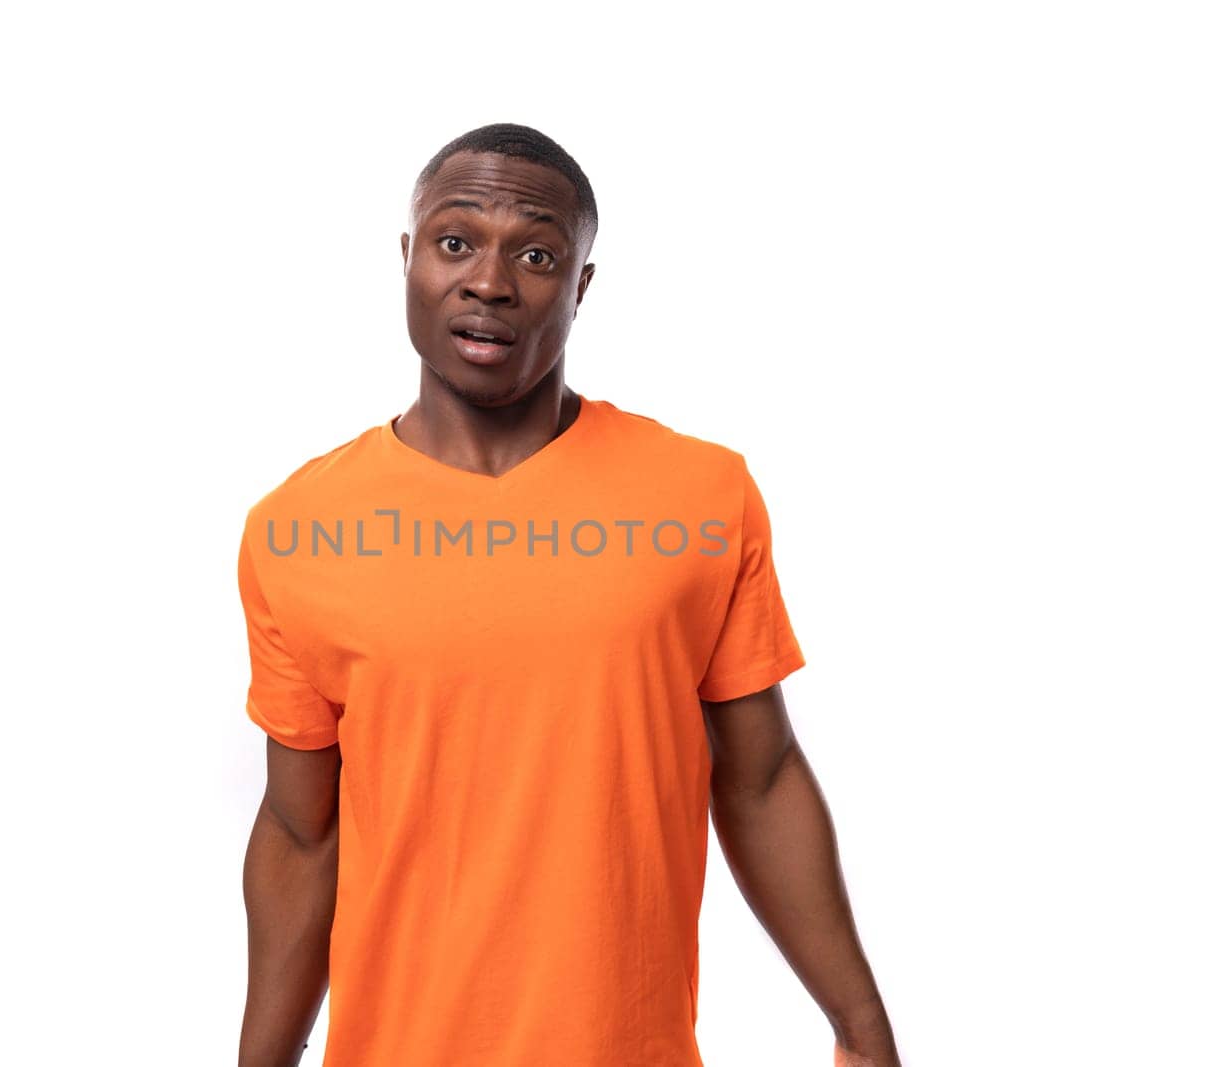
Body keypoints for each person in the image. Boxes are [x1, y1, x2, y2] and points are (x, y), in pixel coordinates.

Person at [237, 122, 900, 1067]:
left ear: (580, 286)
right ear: (408, 258)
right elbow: (303, 832)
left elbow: (759, 777)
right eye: (456, 240)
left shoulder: (700, 496)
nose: (490, 281)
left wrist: (861, 1027)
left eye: (538, 254)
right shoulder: (298, 527)